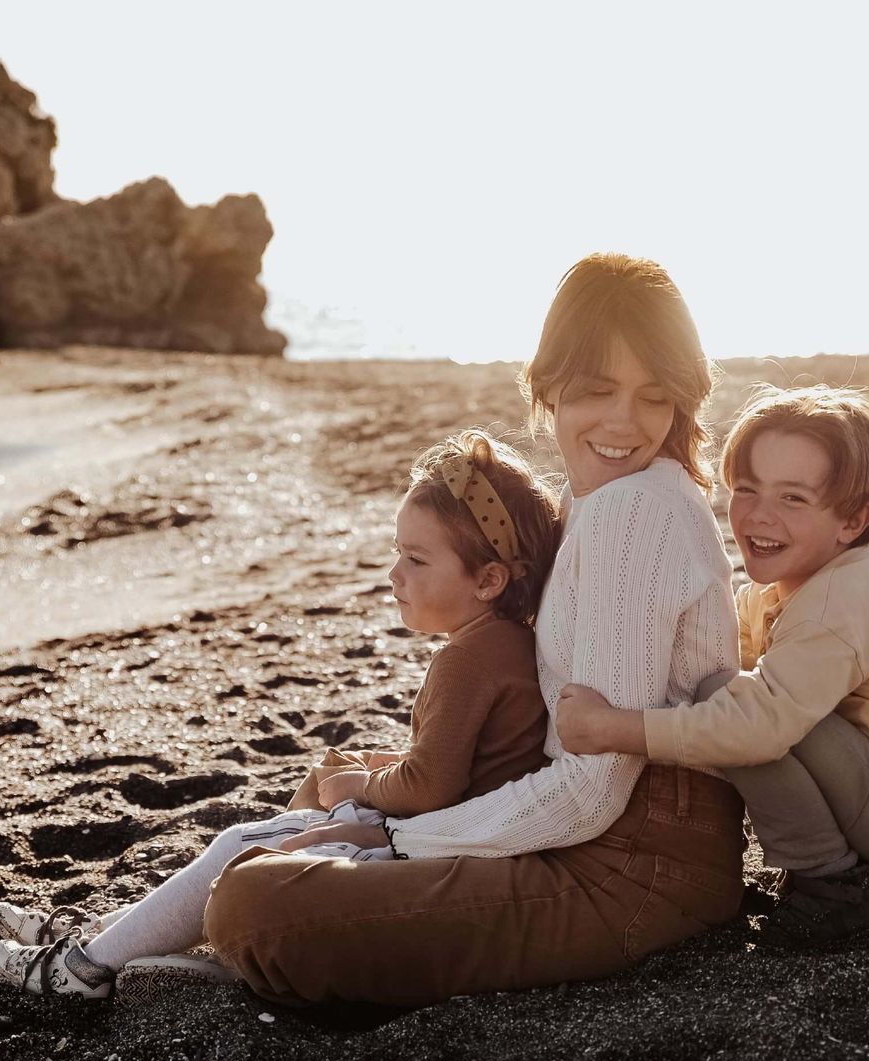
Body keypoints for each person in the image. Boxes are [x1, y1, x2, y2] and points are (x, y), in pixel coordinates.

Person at [199, 252, 748, 1007]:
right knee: (339, 774)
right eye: (598, 391)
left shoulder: (636, 510)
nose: (624, 423)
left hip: (633, 872)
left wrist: (396, 840)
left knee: (253, 910)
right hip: (596, 836)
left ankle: (236, 920)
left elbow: (593, 790)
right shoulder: (600, 498)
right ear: (548, 383)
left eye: (654, 398)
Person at [0, 428, 563, 997]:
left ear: (487, 580)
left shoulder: (467, 661)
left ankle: (80, 968)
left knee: (243, 845)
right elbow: (469, 764)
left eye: (415, 559)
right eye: (396, 553)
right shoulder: (508, 642)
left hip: (440, 847)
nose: (394, 575)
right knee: (270, 828)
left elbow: (431, 784)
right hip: (460, 831)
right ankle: (102, 936)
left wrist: (360, 784)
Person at [556, 384, 869, 945]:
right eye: (746, 489)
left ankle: (830, 885)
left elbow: (755, 727)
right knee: (722, 691)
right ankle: (815, 868)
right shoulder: (784, 590)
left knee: (729, 702)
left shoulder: (842, 600)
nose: (759, 517)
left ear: (853, 520)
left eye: (793, 499)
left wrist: (614, 728)